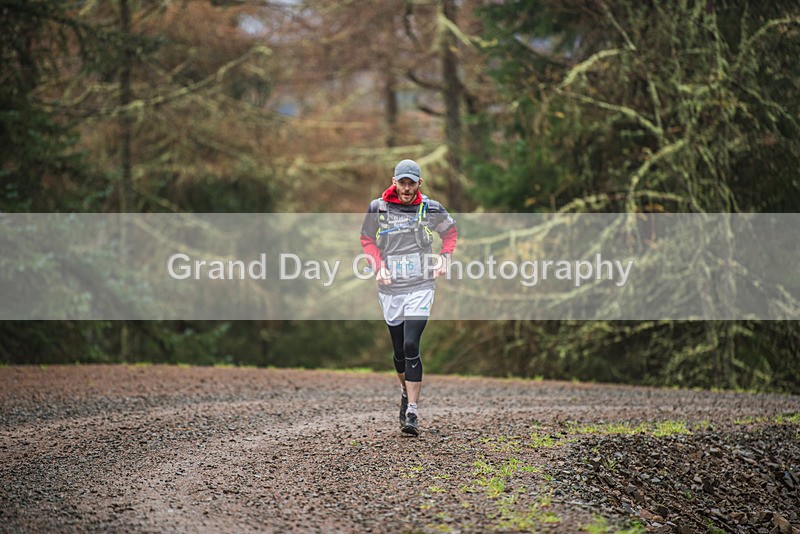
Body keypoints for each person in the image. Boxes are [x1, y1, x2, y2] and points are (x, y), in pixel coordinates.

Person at [360, 159, 458, 436]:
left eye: (411, 183)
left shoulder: (431, 208)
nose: (406, 188)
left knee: (411, 343)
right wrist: (377, 266)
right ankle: (405, 392)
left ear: (419, 183)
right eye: (401, 182)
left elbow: (450, 232)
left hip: (421, 286)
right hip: (391, 290)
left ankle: (412, 412)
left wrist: (445, 257)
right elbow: (366, 239)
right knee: (399, 353)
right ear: (394, 181)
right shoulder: (378, 208)